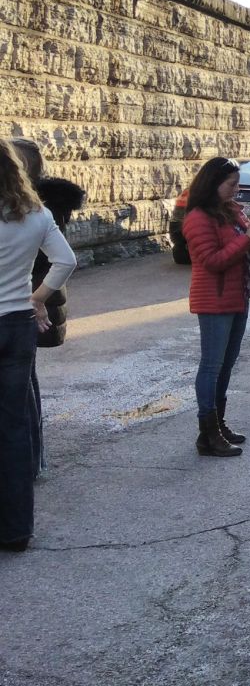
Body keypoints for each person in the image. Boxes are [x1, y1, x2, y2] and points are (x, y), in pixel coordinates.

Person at [0, 143, 76, 551]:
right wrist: (38, 298)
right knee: (13, 426)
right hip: (17, 323)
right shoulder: (37, 216)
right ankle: (16, 530)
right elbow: (66, 262)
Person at [181, 156, 250, 459]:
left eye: (238, 183)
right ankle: (207, 433)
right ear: (213, 184)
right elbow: (212, 261)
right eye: (231, 184)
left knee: (226, 364)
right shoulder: (197, 217)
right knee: (211, 365)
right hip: (215, 301)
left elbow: (248, 252)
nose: (237, 189)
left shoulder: (231, 212)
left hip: (238, 296)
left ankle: (217, 425)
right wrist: (247, 237)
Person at [10, 140, 84, 478]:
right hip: (30, 306)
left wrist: (35, 298)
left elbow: (52, 261)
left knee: (22, 393)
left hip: (25, 305)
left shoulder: (31, 211)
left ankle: (31, 461)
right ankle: (33, 460)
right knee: (25, 387)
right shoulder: (37, 209)